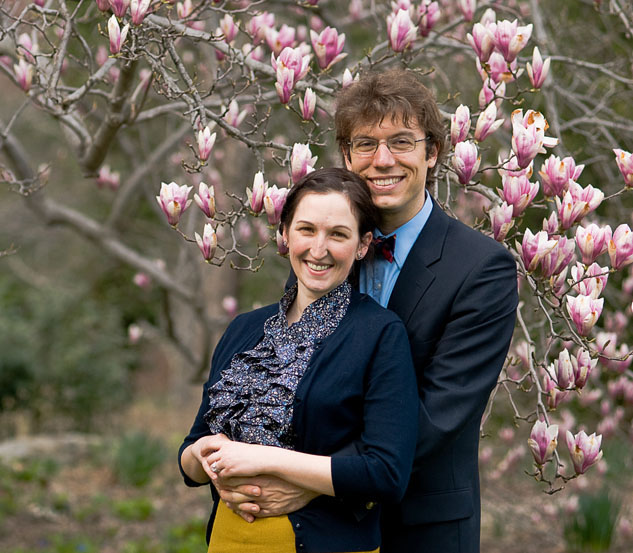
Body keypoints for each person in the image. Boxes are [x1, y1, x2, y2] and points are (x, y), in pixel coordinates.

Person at [217, 70, 519, 553]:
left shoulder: (482, 269)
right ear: (346, 155)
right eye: (365, 144)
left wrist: (314, 479)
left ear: (433, 152)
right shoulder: (326, 251)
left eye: (402, 142)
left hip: (421, 523)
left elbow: (439, 416)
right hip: (320, 528)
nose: (383, 160)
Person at [179, 167, 419, 553]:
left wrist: (266, 460)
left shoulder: (379, 334)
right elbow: (189, 454)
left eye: (338, 234)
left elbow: (386, 473)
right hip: (228, 541)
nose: (318, 249)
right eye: (306, 229)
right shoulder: (244, 329)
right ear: (285, 234)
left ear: (362, 245)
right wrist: (205, 457)